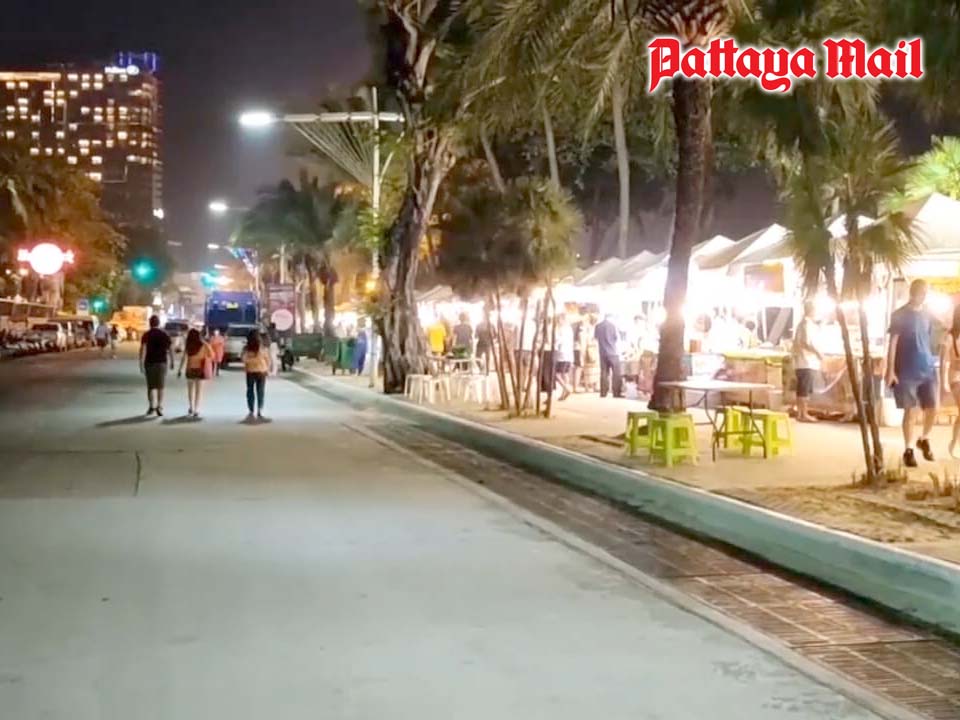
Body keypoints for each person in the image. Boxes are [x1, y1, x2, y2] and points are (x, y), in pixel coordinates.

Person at [886, 279, 938, 468]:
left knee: (933, 406)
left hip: (927, 367)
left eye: (925, 293)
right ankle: (908, 449)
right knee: (911, 410)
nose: (922, 296)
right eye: (920, 293)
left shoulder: (927, 314)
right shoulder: (900, 315)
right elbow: (893, 343)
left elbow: (928, 337)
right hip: (907, 369)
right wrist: (890, 370)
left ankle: (924, 438)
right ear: (913, 293)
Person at [793, 300, 824, 423]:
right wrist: (818, 353)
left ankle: (801, 413)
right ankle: (803, 413)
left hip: (802, 362)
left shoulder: (803, 324)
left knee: (802, 389)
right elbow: (806, 342)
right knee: (804, 389)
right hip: (806, 361)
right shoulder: (806, 324)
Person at [139, 315, 174, 417]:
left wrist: (141, 363)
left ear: (150, 323)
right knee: (160, 386)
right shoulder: (164, 334)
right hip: (161, 363)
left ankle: (151, 406)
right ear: (159, 323)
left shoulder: (146, 335)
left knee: (150, 386)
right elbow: (170, 349)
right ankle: (159, 406)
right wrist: (172, 361)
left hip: (149, 362)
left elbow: (143, 349)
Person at [177, 328, 214, 418]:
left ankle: (191, 407)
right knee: (198, 391)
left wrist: (180, 370)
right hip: (200, 370)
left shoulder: (188, 346)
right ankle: (196, 409)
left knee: (190, 390)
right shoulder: (204, 345)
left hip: (190, 369)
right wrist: (205, 343)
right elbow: (212, 355)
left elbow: (183, 358)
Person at [941, 304, 960, 458]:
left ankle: (954, 442)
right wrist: (943, 383)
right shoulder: (950, 337)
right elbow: (943, 361)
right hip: (956, 377)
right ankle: (954, 442)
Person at [242, 329, 273, 420]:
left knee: (250, 391)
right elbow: (268, 360)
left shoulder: (246, 349)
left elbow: (243, 359)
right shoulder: (263, 348)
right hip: (261, 371)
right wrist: (267, 369)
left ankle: (251, 411)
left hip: (250, 371)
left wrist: (251, 360)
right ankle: (260, 410)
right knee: (260, 391)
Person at [594, 313, 623, 398]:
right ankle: (616, 392)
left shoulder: (598, 326)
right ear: (611, 317)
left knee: (604, 372)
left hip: (602, 352)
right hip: (613, 352)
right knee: (616, 373)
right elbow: (616, 338)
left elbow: (596, 338)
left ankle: (603, 392)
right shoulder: (613, 326)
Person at [554, 315, 574, 401]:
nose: (558, 321)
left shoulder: (561, 329)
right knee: (565, 374)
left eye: (559, 320)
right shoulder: (569, 329)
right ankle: (563, 393)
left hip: (561, 353)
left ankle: (566, 388)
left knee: (557, 374)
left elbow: (558, 340)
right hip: (569, 353)